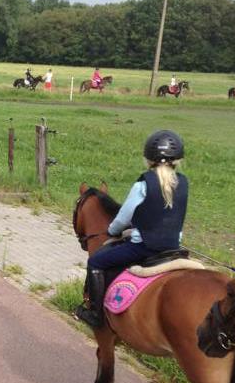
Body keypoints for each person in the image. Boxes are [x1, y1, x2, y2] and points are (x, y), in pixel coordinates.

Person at [75, 130, 188, 328]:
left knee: (95, 262)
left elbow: (124, 217)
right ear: (177, 160)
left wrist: (112, 230)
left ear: (148, 160)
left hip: (144, 247)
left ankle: (95, 314)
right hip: (174, 247)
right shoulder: (183, 182)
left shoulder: (143, 184)